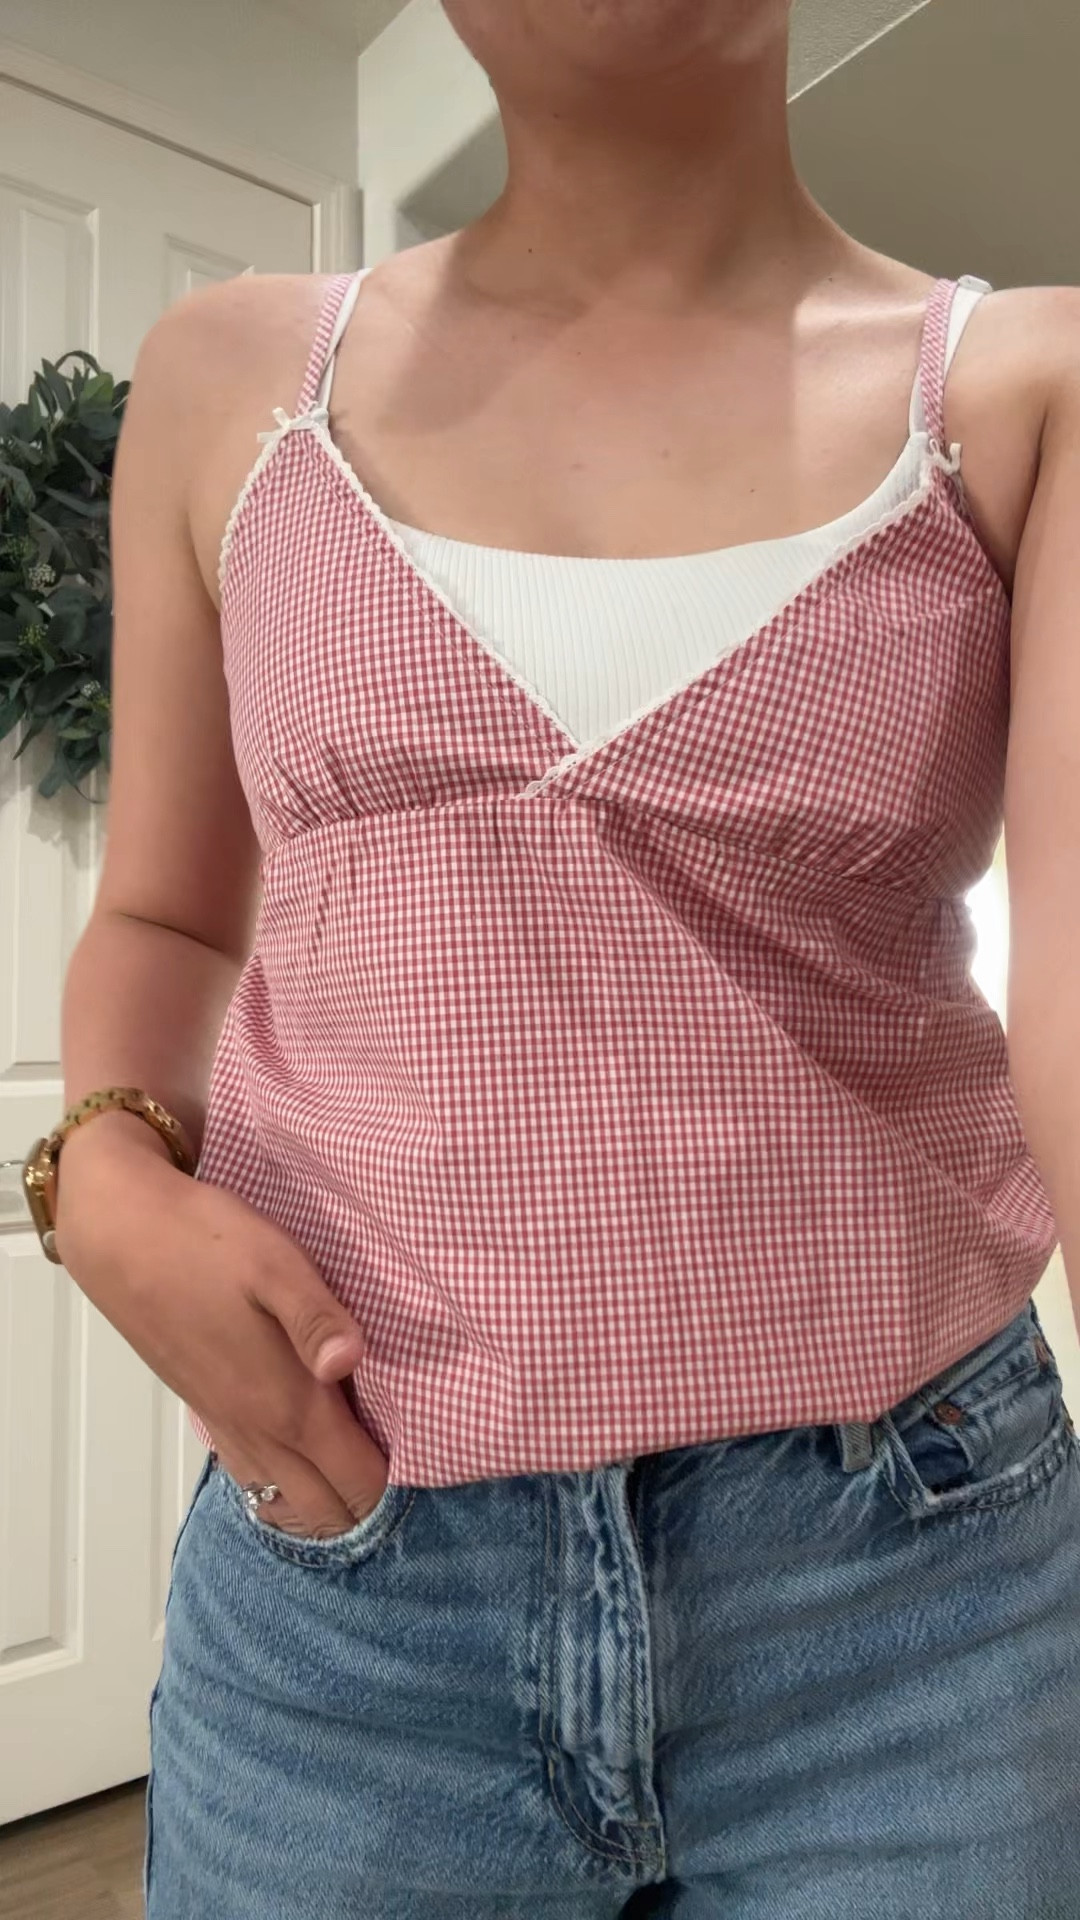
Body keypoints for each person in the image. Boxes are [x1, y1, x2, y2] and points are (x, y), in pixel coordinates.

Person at [44, 0, 1080, 1913]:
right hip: (351, 1582)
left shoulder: (1024, 387)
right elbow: (167, 916)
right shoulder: (234, 378)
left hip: (913, 1584)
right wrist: (97, 1170)